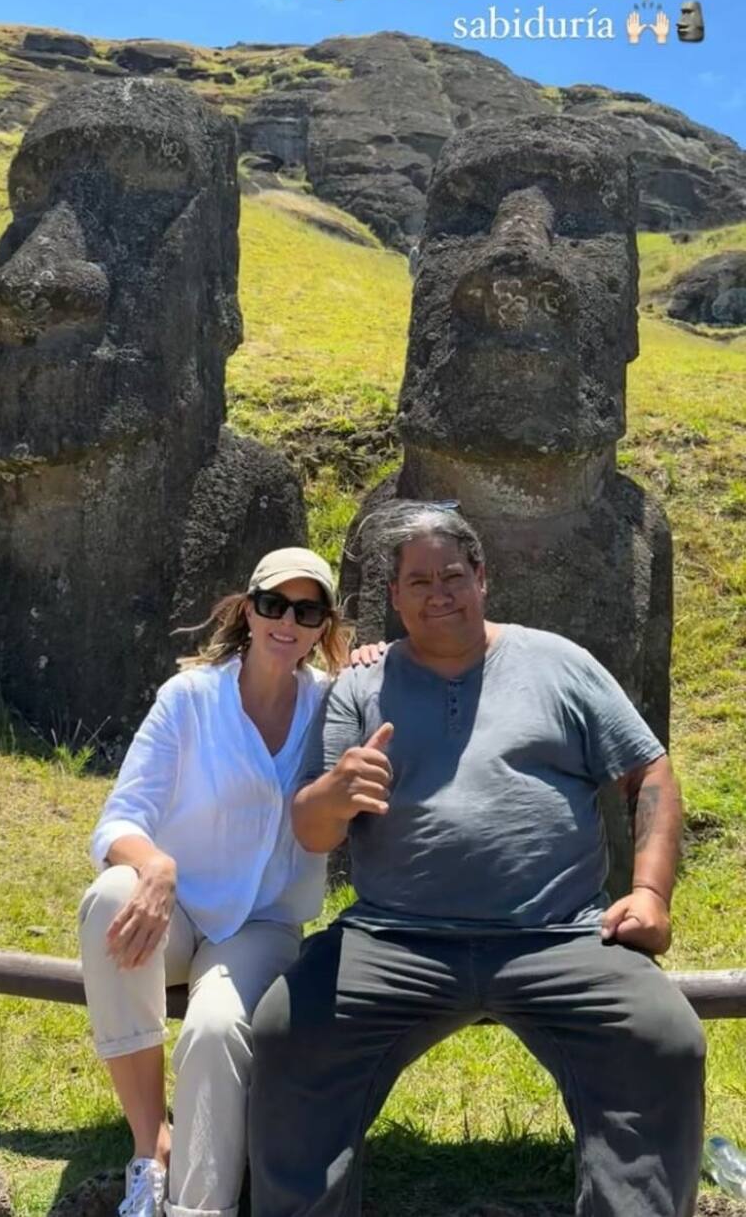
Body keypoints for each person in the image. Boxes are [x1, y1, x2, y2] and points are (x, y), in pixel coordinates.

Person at [249, 504, 706, 1217]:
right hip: (394, 938)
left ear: (483, 578)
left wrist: (649, 893)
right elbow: (311, 832)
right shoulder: (361, 687)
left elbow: (649, 772)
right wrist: (334, 795)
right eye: (419, 581)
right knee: (289, 1032)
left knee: (662, 1038)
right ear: (393, 598)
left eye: (453, 576)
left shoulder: (558, 664)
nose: (439, 594)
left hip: (557, 936)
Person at [80, 547, 381, 1217]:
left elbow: (400, 700)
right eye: (274, 604)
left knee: (216, 1030)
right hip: (176, 914)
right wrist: (155, 867)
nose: (287, 621)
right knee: (109, 899)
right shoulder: (190, 698)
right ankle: (148, 1145)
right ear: (249, 610)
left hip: (265, 923)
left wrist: (373, 660)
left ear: (324, 624)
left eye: (307, 611)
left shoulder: (331, 705)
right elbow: (119, 821)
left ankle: (197, 1210)